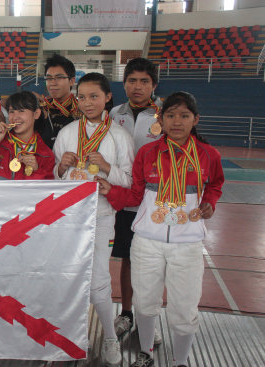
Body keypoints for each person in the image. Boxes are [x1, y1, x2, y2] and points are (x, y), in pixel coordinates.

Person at [96, 92, 225, 367]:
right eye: (170, 115)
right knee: (144, 303)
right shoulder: (147, 153)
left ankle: (180, 361)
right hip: (147, 242)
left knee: (184, 309)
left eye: (184, 115)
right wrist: (111, 191)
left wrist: (210, 203)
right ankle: (145, 354)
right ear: (161, 119)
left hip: (187, 245)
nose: (176, 121)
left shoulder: (208, 155)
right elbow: (134, 196)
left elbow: (215, 185)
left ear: (195, 119)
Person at [53, 73, 134, 366]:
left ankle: (110, 338)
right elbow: (55, 176)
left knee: (99, 278)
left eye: (94, 96)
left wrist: (107, 168)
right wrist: (61, 168)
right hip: (69, 217)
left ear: (107, 98)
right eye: (82, 97)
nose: (87, 103)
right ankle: (72, 336)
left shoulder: (120, 136)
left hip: (101, 214)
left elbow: (128, 180)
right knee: (68, 276)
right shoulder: (67, 133)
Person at [109, 57, 163, 342]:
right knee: (128, 259)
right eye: (132, 80)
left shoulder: (165, 114)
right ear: (124, 83)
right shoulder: (114, 114)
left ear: (154, 85)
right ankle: (127, 313)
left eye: (144, 81)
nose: (137, 86)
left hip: (155, 201)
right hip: (125, 201)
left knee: (153, 261)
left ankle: (147, 317)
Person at [0, 91, 54, 180]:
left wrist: (36, 171)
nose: (15, 117)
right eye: (12, 111)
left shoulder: (46, 155)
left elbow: (45, 192)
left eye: (21, 111)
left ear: (36, 114)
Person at [34, 53, 82, 149]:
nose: (52, 83)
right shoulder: (39, 108)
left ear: (72, 81)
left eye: (59, 77)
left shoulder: (81, 110)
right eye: (49, 78)